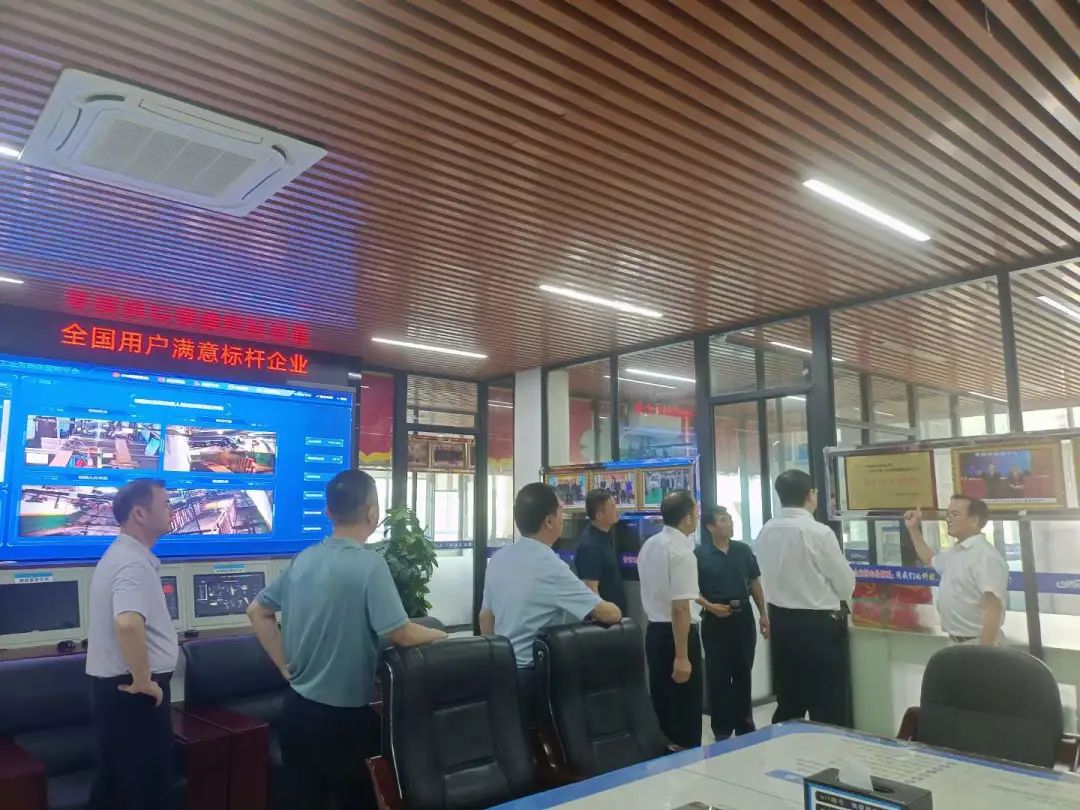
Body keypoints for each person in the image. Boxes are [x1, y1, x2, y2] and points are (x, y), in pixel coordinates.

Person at [248, 469, 447, 810]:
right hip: (344, 724)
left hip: (296, 714)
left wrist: (283, 665)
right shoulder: (370, 565)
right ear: (372, 512)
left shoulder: (304, 559)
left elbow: (256, 611)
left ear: (328, 512)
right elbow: (400, 632)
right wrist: (441, 635)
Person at [479, 482, 621, 724]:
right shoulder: (551, 565)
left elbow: (486, 617)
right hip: (535, 676)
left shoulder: (499, 559)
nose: (563, 516)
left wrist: (499, 659)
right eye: (561, 511)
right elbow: (607, 614)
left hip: (503, 672)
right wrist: (616, 608)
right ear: (549, 521)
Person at [87, 479, 179, 810]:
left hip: (116, 694)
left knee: (115, 789)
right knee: (148, 791)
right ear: (139, 513)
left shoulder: (123, 555)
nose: (172, 510)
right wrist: (144, 680)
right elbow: (127, 623)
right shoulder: (132, 563)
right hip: (135, 695)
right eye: (165, 504)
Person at [755, 470, 855, 727]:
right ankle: (827, 749)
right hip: (818, 626)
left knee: (790, 699)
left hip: (781, 622)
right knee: (828, 702)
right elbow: (845, 583)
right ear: (810, 495)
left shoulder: (766, 530)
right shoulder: (818, 532)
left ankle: (786, 748)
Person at [695, 505, 769, 740]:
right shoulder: (699, 555)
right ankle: (721, 729)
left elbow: (754, 583)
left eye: (729, 518)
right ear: (710, 527)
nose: (729, 523)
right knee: (718, 676)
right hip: (715, 619)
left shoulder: (743, 550)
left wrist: (763, 614)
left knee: (742, 672)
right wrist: (710, 607)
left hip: (742, 616)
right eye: (723, 519)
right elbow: (691, 589)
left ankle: (745, 726)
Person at [637, 489, 702, 748]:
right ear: (687, 518)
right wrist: (682, 656)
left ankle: (664, 761)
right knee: (685, 710)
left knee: (663, 706)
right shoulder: (681, 552)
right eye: (696, 511)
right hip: (678, 636)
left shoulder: (650, 545)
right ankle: (688, 764)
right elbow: (680, 608)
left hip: (655, 633)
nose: (698, 516)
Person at [903, 495, 1007, 645]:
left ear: (974, 521)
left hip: (977, 643)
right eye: (948, 514)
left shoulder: (986, 557)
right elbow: (930, 560)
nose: (948, 519)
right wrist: (913, 529)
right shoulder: (955, 551)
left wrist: (984, 652)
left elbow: (993, 609)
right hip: (955, 641)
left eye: (955, 514)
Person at [574, 489, 628, 614]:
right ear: (599, 515)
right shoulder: (590, 545)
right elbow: (591, 589)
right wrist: (606, 615)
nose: (617, 509)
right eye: (612, 507)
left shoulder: (605, 535)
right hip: (604, 619)